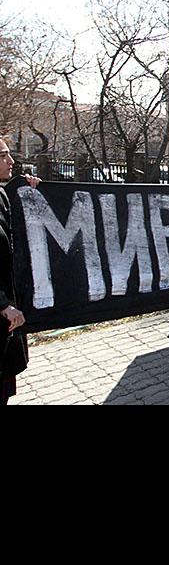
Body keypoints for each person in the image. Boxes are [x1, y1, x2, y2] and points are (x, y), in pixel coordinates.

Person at [1, 138, 41, 405]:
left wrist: (24, 189)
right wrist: (2, 303)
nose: (11, 161)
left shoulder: (2, 193)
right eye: (3, 155)